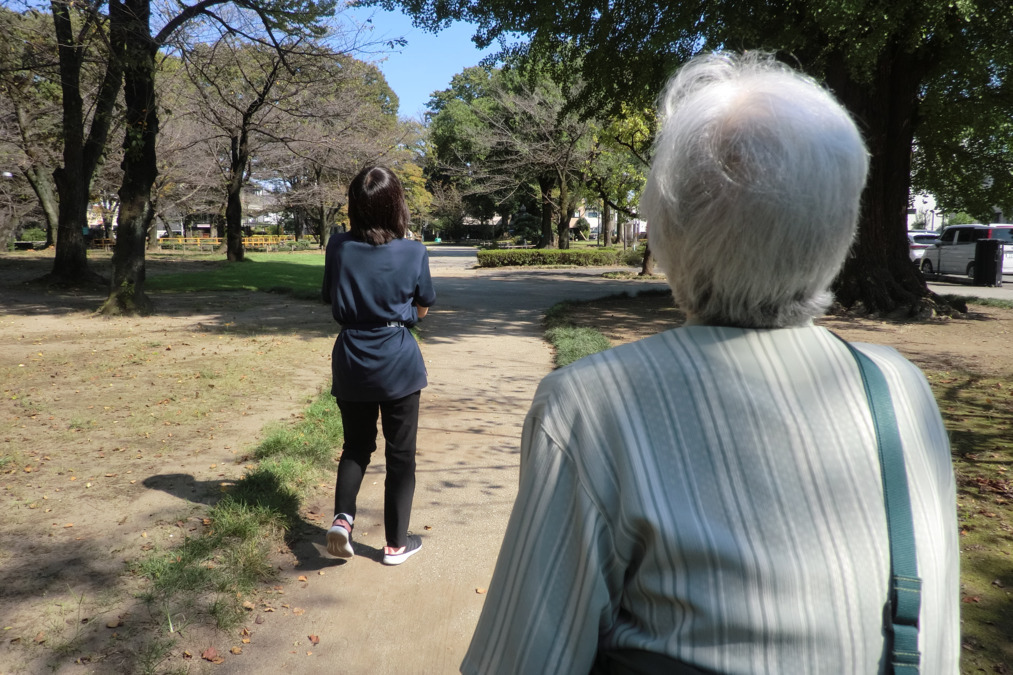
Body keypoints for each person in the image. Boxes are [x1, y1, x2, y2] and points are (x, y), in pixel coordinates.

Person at [461, 52, 959, 674]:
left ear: (666, 224)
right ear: (840, 228)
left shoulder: (592, 408)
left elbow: (520, 661)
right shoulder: (900, 390)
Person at [321, 165, 435, 566]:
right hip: (397, 359)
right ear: (396, 205)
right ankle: (395, 545)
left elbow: (330, 298)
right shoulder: (414, 251)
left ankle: (342, 519)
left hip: (351, 356)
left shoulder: (337, 247)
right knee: (400, 455)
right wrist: (406, 316)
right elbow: (423, 305)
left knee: (356, 446)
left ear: (355, 206)